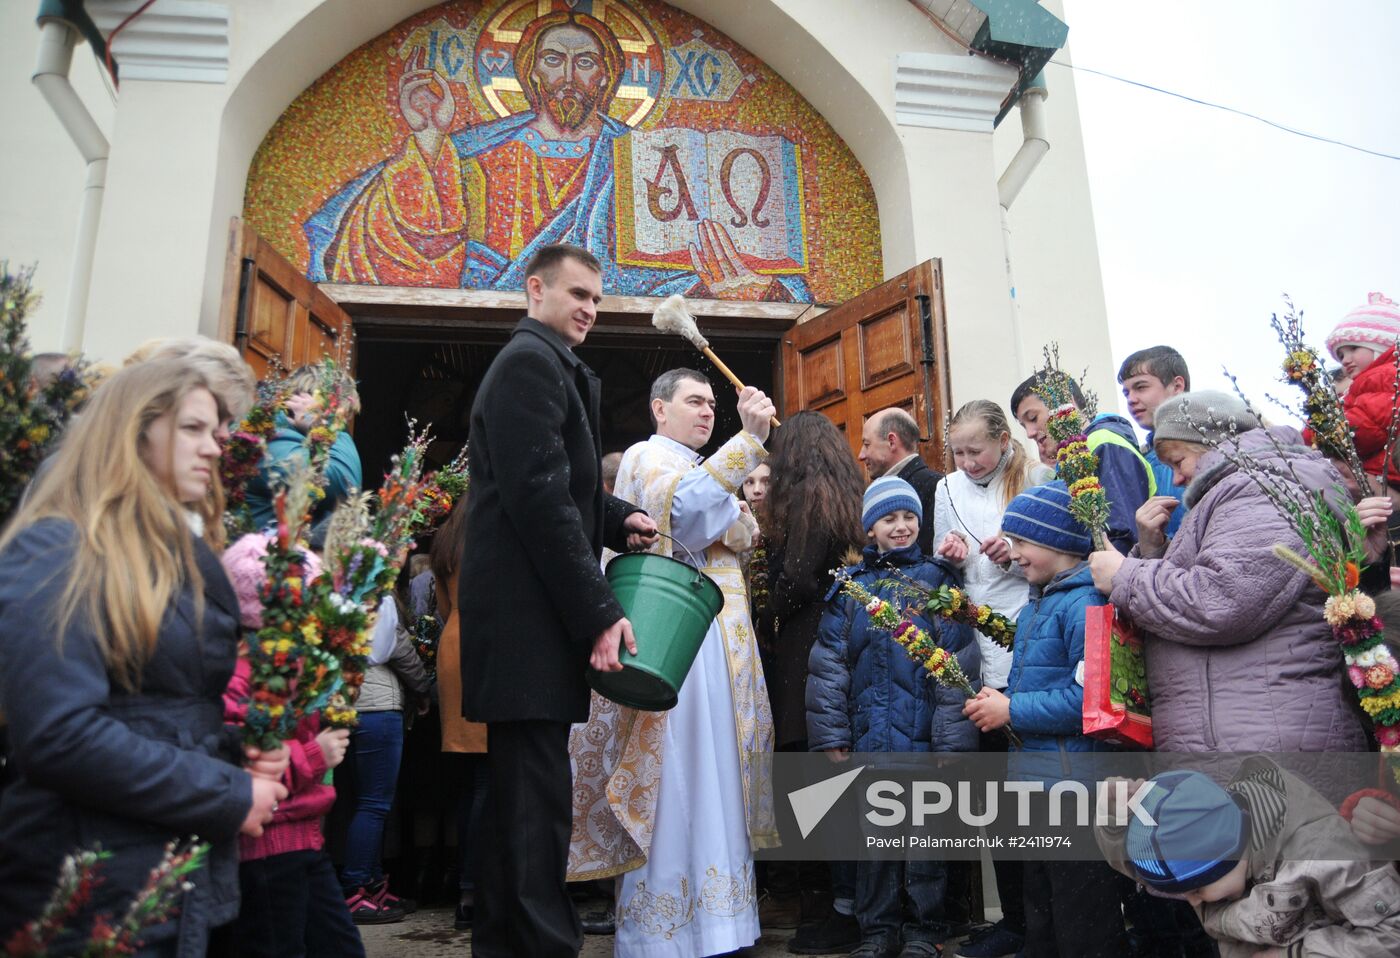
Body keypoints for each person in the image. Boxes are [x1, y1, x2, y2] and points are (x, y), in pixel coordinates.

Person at [0, 360, 286, 956]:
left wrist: (241, 752)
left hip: (154, 865)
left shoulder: (163, 546)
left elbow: (164, 707)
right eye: (193, 429)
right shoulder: (58, 544)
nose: (214, 448)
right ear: (135, 430)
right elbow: (58, 734)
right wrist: (227, 793)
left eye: (216, 431)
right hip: (89, 877)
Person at [307, 12, 805, 302]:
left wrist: (749, 289)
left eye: (585, 62)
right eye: (553, 59)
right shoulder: (475, 151)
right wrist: (433, 138)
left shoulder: (652, 161)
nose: (569, 74)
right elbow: (398, 239)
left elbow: (667, 273)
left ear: (606, 78)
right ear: (530, 73)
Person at [458, 243, 657, 957]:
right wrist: (600, 610)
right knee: (534, 813)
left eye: (596, 300)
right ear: (534, 289)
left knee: (523, 806)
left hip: (529, 627)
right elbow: (538, 499)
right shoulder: (529, 365)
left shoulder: (546, 365)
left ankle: (509, 945)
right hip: (524, 626)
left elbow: (561, 486)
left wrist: (617, 516)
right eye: (576, 294)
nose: (588, 310)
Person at [568, 368, 776, 957]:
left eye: (713, 404)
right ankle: (664, 933)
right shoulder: (647, 456)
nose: (707, 412)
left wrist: (731, 502)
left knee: (717, 779)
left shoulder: (692, 464)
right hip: (676, 644)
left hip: (716, 649)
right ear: (659, 409)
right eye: (694, 401)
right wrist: (748, 442)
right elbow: (684, 513)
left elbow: (741, 528)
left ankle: (721, 924)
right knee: (678, 779)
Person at [1087, 391, 1369, 754]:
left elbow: (1222, 600)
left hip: (1262, 740)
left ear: (1210, 446)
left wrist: (1126, 575)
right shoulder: (1244, 489)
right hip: (1246, 731)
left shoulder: (1261, 490)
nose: (1174, 479)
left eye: (1178, 461)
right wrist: (1154, 550)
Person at [808, 476, 979, 958]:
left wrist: (951, 741)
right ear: (870, 529)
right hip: (870, 738)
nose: (901, 527)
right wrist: (832, 735)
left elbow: (957, 664)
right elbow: (829, 667)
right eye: (889, 519)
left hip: (925, 739)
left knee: (926, 843)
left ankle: (925, 930)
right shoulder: (850, 590)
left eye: (908, 518)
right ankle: (877, 931)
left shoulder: (938, 582)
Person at [962, 480, 1127, 958]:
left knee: (1082, 911)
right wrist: (1005, 697)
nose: (1013, 555)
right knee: (1041, 903)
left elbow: (1089, 702)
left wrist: (1011, 709)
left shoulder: (1085, 604)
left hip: (1074, 787)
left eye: (1021, 543)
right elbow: (1043, 682)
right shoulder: (1041, 601)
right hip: (1039, 782)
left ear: (1057, 542)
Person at [220, 534, 364, 958]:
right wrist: (316, 754)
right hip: (265, 855)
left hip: (306, 845)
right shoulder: (240, 680)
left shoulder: (298, 672)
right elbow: (243, 778)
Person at [1097, 759, 1400, 957]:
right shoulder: (1215, 854)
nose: (1193, 902)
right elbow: (1148, 862)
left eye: (1196, 890)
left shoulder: (1321, 855)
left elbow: (1392, 933)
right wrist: (1115, 821)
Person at [754, 412, 865, 952]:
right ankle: (835, 898)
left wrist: (764, 613)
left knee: (804, 772)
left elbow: (798, 575)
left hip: (804, 646)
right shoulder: (847, 492)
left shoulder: (808, 498)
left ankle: (819, 902)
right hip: (842, 639)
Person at [930, 400, 1030, 958]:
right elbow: (949, 567)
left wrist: (1014, 554)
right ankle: (1012, 917)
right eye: (958, 452)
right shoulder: (946, 489)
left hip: (1026, 642)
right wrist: (953, 554)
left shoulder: (1031, 475)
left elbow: (1057, 553)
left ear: (1001, 439)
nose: (967, 461)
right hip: (976, 653)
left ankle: (1038, 917)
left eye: (976, 450)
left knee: (1031, 793)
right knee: (995, 798)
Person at [339, 596, 432, 922]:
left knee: (360, 801)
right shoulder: (375, 591)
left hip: (345, 705)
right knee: (374, 804)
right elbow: (399, 648)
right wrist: (422, 688)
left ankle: (371, 883)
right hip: (377, 706)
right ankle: (355, 889)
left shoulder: (333, 589)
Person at [428, 496, 490, 931]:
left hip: (453, 645)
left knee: (470, 782)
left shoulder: (446, 541)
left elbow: (443, 608)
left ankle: (467, 885)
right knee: (492, 779)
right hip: (487, 648)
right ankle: (479, 888)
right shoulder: (490, 535)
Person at [1010, 372, 1153, 555]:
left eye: (1033, 418)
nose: (1029, 433)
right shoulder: (1072, 456)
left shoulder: (1103, 443)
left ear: (1064, 402)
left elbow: (1122, 533)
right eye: (1024, 426)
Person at [245, 364, 363, 532]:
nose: (340, 425)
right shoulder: (271, 438)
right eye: (339, 416)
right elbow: (345, 486)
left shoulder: (288, 437)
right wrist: (326, 422)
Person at [1118, 345, 1190, 537]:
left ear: (1177, 386)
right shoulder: (1146, 455)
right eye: (1126, 393)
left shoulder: (1204, 446)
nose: (1131, 399)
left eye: (1141, 387)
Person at [858, 408, 944, 554]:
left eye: (867, 444)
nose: (861, 455)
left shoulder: (936, 487)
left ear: (891, 441)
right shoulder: (931, 484)